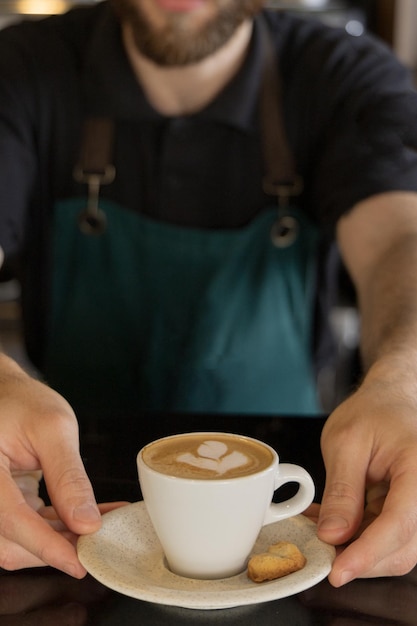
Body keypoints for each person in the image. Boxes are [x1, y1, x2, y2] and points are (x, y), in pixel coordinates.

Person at [1, 0, 417, 588]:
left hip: (302, 497)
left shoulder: (344, 74)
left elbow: (400, 241)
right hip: (48, 511)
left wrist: (404, 380)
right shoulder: (21, 66)